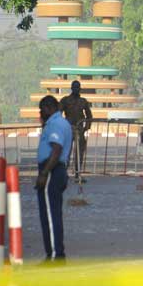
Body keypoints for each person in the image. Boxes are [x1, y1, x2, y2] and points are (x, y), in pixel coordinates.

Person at [35, 95, 73, 261]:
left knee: (50, 216)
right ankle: (55, 252)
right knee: (53, 213)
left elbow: (56, 150)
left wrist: (44, 173)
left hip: (51, 171)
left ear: (49, 108)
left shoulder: (56, 124)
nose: (40, 114)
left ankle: (55, 255)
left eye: (42, 110)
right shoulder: (61, 123)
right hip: (57, 170)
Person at [60, 81, 92, 178]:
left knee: (79, 152)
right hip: (68, 129)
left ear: (80, 89)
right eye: (74, 87)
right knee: (66, 152)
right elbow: (58, 113)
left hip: (79, 130)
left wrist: (86, 127)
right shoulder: (65, 100)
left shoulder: (83, 101)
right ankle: (63, 173)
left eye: (78, 87)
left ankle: (78, 173)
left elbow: (89, 116)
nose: (76, 89)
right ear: (71, 88)